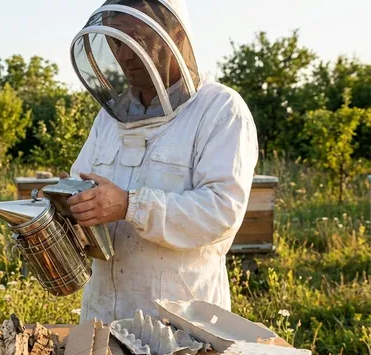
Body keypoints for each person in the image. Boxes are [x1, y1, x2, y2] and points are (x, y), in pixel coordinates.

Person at [62, 0, 258, 323]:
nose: (125, 55)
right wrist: (65, 206)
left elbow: (221, 211)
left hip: (180, 326)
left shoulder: (221, 110)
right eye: (116, 42)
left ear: (177, 35)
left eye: (136, 39)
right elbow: (80, 182)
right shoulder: (109, 118)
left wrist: (130, 206)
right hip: (102, 318)